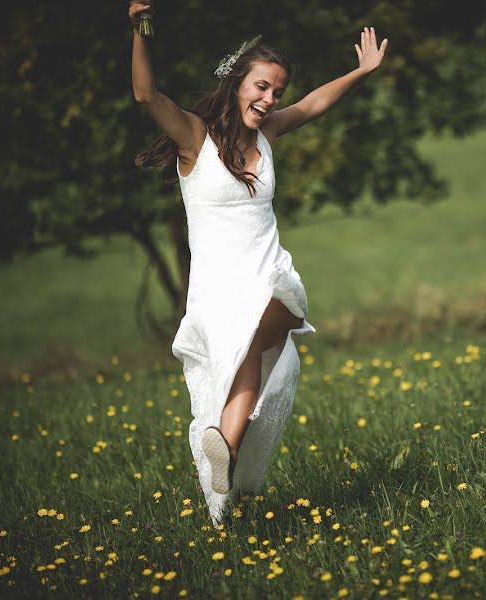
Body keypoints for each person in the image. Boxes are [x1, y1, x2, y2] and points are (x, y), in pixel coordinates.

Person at [129, 0, 387, 523]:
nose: (270, 100)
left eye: (277, 92)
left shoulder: (266, 138)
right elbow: (144, 93)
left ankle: (225, 438)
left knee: (278, 311)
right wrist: (141, 29)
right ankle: (226, 448)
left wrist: (360, 72)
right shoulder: (194, 139)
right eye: (261, 87)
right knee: (246, 361)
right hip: (218, 286)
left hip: (266, 272)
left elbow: (314, 105)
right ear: (237, 84)